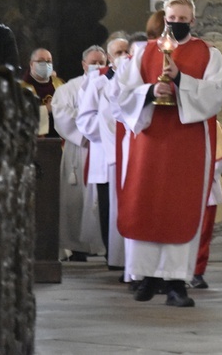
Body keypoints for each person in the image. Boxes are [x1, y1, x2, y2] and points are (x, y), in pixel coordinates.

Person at [116, 0, 222, 307]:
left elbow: (216, 93)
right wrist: (151, 91)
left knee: (181, 207)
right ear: (163, 18)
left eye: (183, 19)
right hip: (150, 141)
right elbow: (122, 94)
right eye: (172, 19)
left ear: (192, 20)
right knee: (147, 204)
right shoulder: (142, 52)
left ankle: (177, 282)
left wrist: (180, 81)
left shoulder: (208, 53)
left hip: (188, 141)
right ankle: (146, 277)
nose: (177, 24)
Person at [76, 36, 130, 273]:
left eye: (126, 51)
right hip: (105, 152)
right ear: (109, 57)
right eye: (117, 52)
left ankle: (131, 257)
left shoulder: (136, 75)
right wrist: (109, 132)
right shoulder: (96, 79)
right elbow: (85, 118)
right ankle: (112, 254)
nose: (123, 56)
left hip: (130, 150)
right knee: (109, 206)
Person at [52, 45, 109, 262]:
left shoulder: (111, 85)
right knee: (75, 200)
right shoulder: (68, 89)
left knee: (100, 199)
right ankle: (77, 247)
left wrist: (90, 120)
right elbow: (61, 114)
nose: (97, 66)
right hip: (79, 148)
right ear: (84, 64)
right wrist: (90, 127)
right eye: (93, 62)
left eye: (101, 62)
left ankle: (103, 246)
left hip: (102, 149)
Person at [190, 121, 222, 289]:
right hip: (179, 184)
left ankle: (197, 272)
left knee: (202, 233)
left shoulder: (211, 123)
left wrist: (202, 174)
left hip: (205, 184)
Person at [21, 47, 65, 137]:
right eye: (41, 61)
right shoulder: (22, 88)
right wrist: (46, 109)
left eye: (49, 61)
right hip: (38, 142)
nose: (46, 64)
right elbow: (22, 117)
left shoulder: (59, 83)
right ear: (31, 64)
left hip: (61, 139)